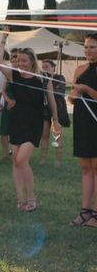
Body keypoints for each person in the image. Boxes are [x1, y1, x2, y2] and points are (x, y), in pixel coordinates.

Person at [0, 33, 60, 212]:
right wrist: (3, 38)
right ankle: (20, 199)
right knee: (16, 162)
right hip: (16, 120)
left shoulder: (44, 77)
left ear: (32, 61)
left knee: (21, 159)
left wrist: (56, 120)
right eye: (19, 60)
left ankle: (31, 196)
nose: (21, 63)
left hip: (34, 123)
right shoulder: (13, 75)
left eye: (25, 60)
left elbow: (52, 100)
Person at [68, 33, 97, 227]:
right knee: (85, 169)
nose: (87, 50)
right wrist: (74, 95)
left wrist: (85, 89)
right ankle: (85, 212)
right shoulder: (79, 69)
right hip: (82, 123)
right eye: (86, 47)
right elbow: (72, 98)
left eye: (92, 47)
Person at [40, 59, 70, 167]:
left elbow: (57, 93)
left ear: (53, 67)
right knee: (44, 134)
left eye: (47, 66)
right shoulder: (41, 79)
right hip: (44, 110)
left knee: (57, 136)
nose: (44, 68)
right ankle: (43, 159)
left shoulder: (60, 78)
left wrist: (50, 78)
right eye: (43, 66)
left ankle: (58, 160)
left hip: (58, 109)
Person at [0, 50, 19, 160]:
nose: (14, 62)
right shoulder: (7, 72)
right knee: (4, 130)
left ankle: (16, 153)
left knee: (17, 130)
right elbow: (2, 89)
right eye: (12, 60)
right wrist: (7, 100)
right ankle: (5, 153)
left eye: (16, 60)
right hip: (8, 104)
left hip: (20, 105)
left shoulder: (24, 73)